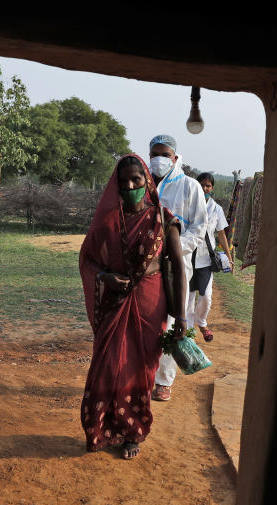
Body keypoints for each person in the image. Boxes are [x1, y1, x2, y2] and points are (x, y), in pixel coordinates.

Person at [78, 154, 187, 459]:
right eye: (123, 181)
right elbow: (88, 260)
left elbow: (178, 266)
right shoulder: (108, 222)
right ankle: (102, 428)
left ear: (146, 181)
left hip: (151, 302)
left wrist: (181, 316)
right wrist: (105, 277)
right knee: (109, 364)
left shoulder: (164, 219)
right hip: (115, 301)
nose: (129, 186)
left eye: (135, 180)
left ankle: (132, 432)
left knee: (141, 368)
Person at [147, 134, 210, 402]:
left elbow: (199, 227)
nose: (159, 159)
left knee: (174, 319)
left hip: (177, 265)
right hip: (146, 264)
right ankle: (142, 375)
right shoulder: (143, 182)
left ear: (174, 157)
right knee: (148, 317)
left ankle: (164, 381)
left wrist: (173, 247)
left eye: (164, 154)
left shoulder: (189, 186)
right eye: (154, 154)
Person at [188, 172, 234, 342]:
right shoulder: (188, 204)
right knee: (188, 296)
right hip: (188, 257)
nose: (204, 188)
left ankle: (201, 322)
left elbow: (221, 234)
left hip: (206, 259)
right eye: (201, 184)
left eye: (208, 185)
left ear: (212, 188)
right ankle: (187, 329)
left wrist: (229, 257)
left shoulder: (216, 209)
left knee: (205, 296)